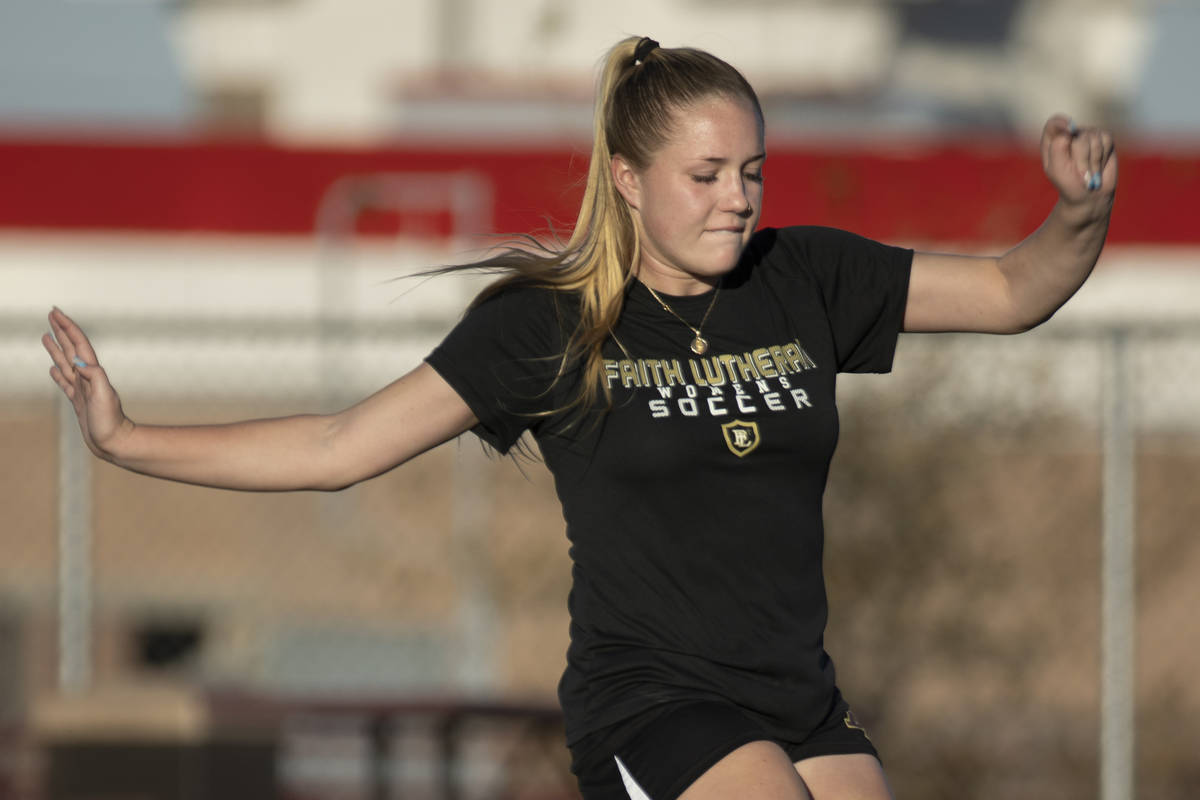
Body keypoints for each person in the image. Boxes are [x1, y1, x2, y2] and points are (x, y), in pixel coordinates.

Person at [44, 35, 1115, 800]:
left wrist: (1078, 214)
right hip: (653, 702)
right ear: (629, 180)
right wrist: (128, 438)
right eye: (704, 175)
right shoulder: (548, 326)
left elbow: (1015, 292)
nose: (736, 198)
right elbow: (338, 446)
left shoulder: (808, 277)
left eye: (750, 172)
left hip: (798, 694)